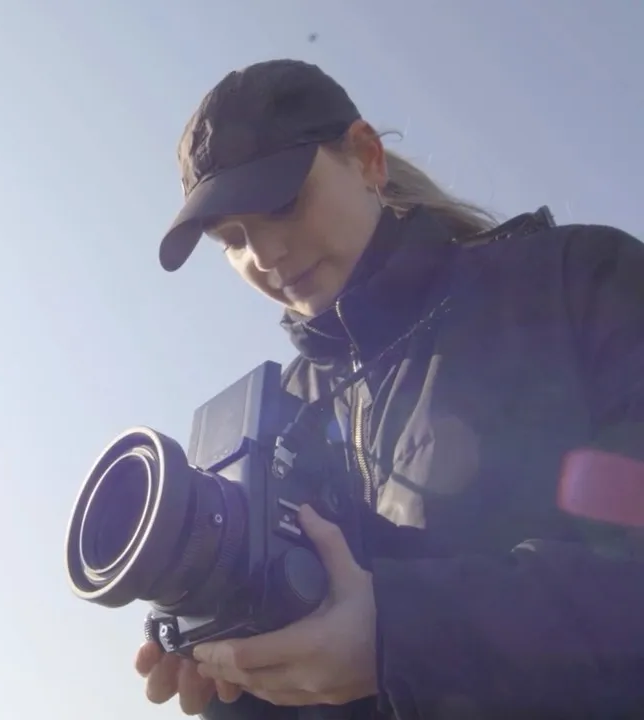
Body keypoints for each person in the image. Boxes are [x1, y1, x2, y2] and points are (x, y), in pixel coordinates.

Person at [135, 59, 644, 719]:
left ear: (367, 158)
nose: (262, 257)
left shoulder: (576, 280)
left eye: (282, 202)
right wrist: (239, 661)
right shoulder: (286, 413)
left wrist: (404, 634)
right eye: (231, 239)